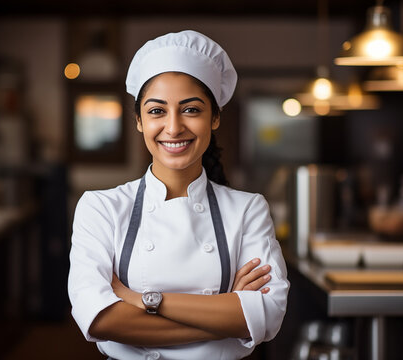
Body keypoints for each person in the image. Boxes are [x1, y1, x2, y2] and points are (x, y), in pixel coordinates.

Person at [68, 30, 289, 360]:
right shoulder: (100, 208)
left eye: (191, 110)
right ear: (139, 120)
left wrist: (142, 299)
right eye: (157, 111)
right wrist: (229, 316)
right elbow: (99, 319)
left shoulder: (247, 210)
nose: (173, 128)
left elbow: (268, 314)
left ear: (214, 118)